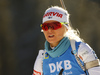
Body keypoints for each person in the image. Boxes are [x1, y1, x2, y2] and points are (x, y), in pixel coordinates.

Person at [33, 6, 100, 75]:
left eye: (55, 25)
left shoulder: (81, 49)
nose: (49, 30)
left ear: (67, 27)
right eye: (45, 26)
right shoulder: (41, 58)